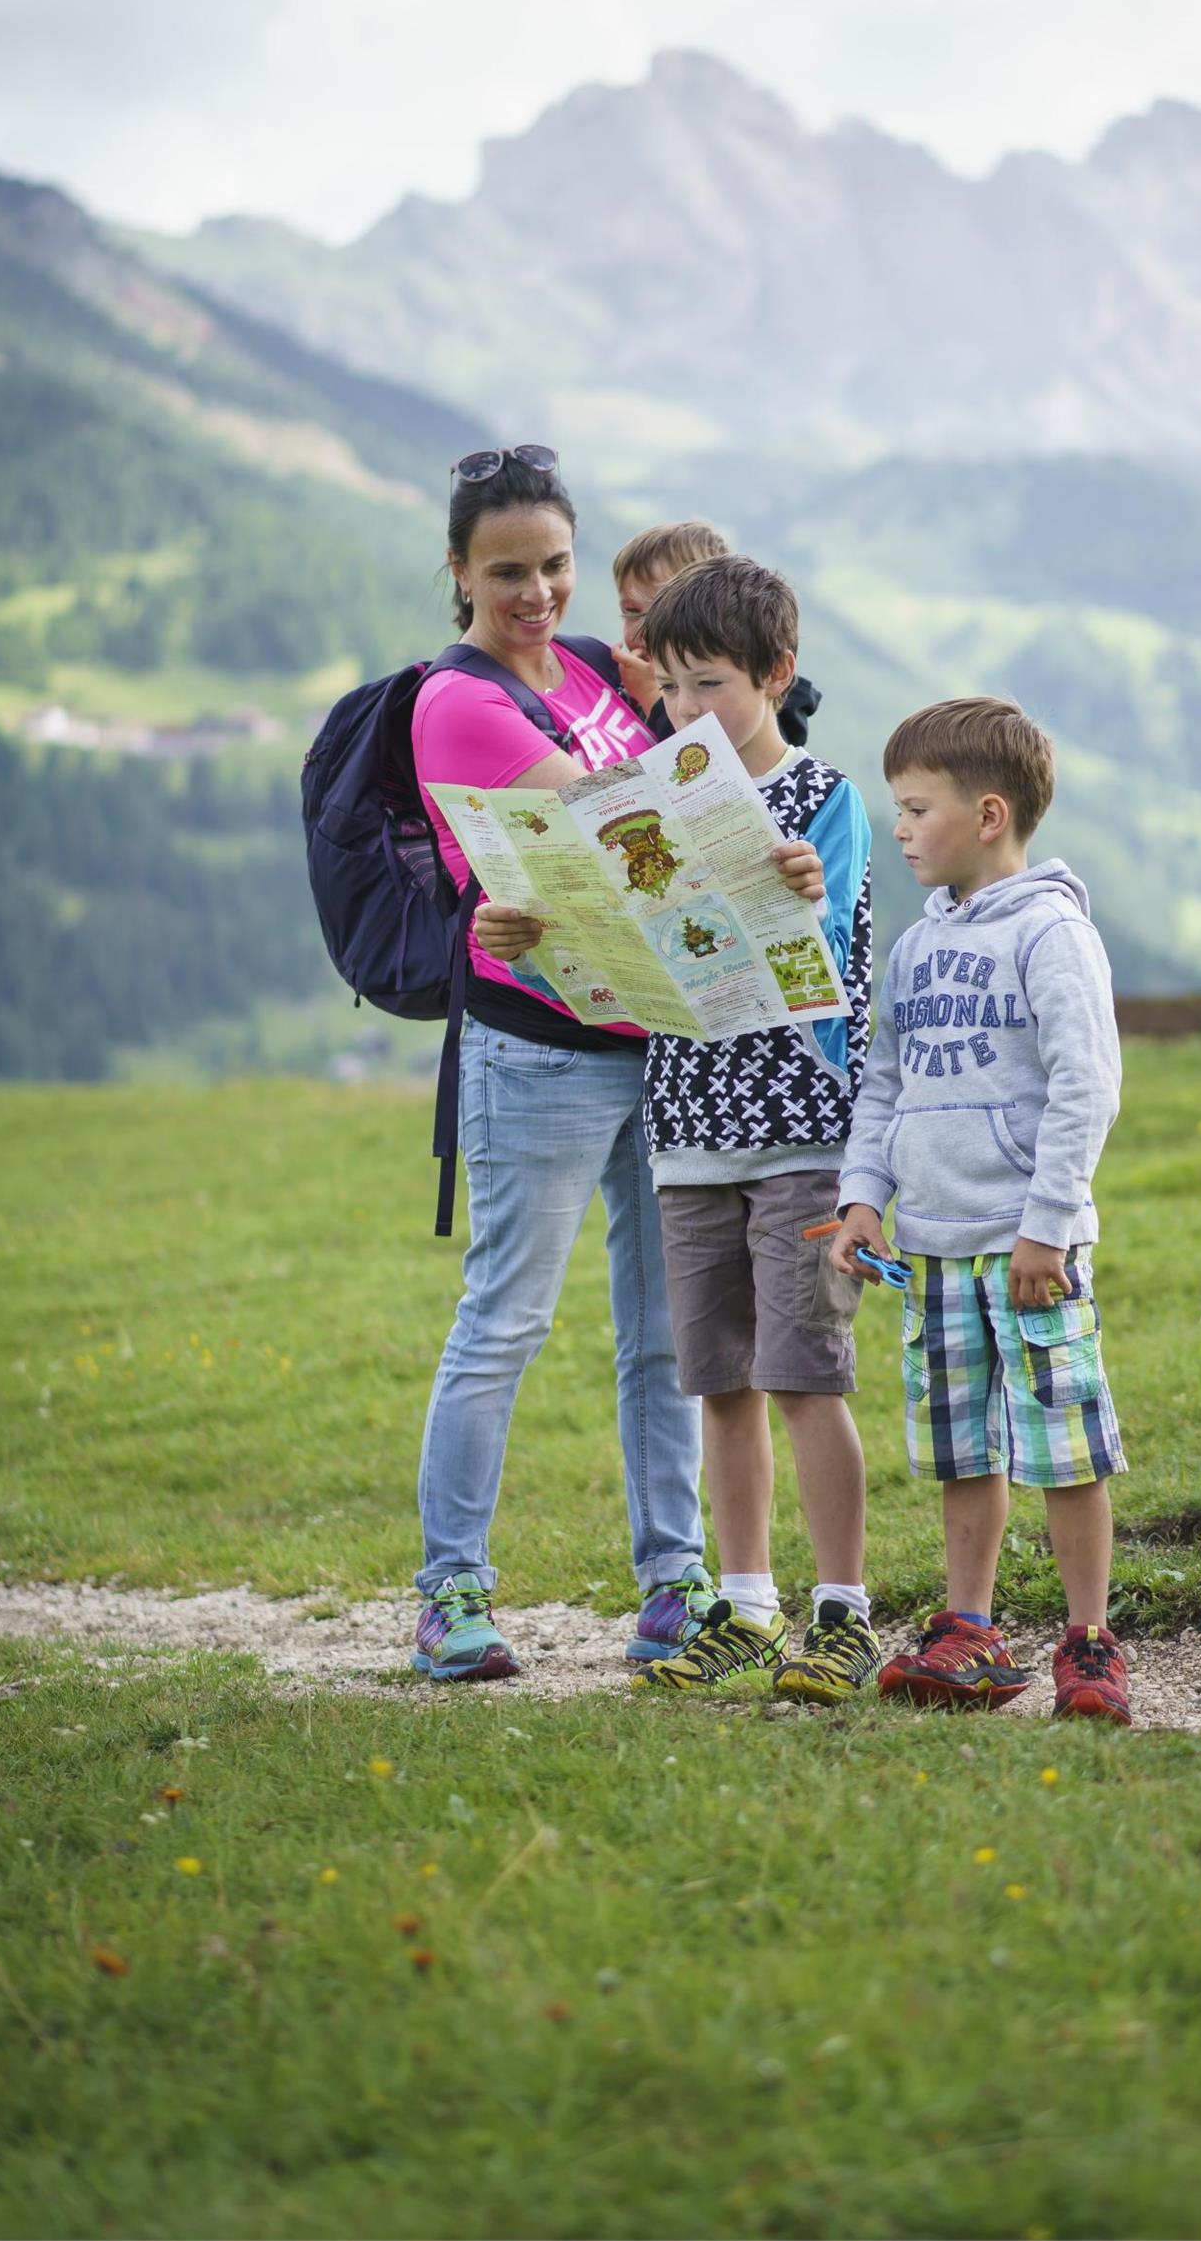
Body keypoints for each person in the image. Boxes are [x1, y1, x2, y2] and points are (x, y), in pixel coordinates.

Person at [404, 450, 749, 1680]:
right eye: (507, 572)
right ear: (459, 572)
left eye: (556, 565)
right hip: (539, 1056)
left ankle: (674, 1583)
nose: (538, 592)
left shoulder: (605, 668)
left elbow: (727, 737)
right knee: (507, 1320)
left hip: (653, 1043)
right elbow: (631, 833)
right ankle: (452, 1595)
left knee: (668, 1333)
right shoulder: (460, 702)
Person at [829, 696, 1134, 1725]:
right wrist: (864, 1197)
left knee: (1064, 1444)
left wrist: (1047, 1223)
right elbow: (883, 1080)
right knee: (964, 1447)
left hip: (1028, 1249)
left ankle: (1088, 1642)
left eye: (917, 809)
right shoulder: (916, 949)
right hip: (937, 1248)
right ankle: (973, 1632)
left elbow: (1085, 1083)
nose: (901, 828)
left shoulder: (1052, 933)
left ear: (990, 814)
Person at [627, 555, 880, 1704]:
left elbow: (834, 971)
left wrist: (799, 898)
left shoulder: (825, 801)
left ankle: (843, 1614)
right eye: (672, 688)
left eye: (712, 684)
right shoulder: (646, 803)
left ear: (777, 675)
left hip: (803, 1132)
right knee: (721, 1381)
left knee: (805, 1377)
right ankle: (745, 1606)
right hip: (686, 1132)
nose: (688, 712)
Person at [611, 519, 822, 748]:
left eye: (665, 612)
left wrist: (652, 696)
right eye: (631, 612)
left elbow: (713, 764)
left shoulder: (759, 703)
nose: (648, 631)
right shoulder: (619, 681)